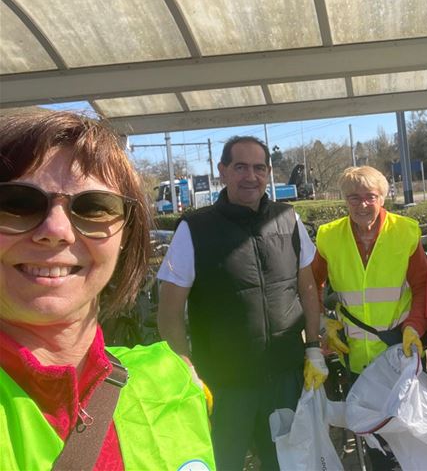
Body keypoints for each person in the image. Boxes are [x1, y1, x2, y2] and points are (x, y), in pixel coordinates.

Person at [0, 110, 215, 470]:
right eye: (16, 203)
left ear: (125, 236)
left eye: (94, 207)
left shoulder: (173, 382)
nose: (57, 230)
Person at [157, 135, 321, 471]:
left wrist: (314, 347)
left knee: (287, 464)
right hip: (224, 383)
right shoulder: (194, 228)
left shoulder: (288, 219)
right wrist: (185, 370)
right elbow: (169, 312)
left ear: (268, 172)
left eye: (259, 168)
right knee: (223, 463)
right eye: (240, 167)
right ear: (223, 171)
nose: (251, 176)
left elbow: (308, 290)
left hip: (283, 376)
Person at [311, 165, 427, 471]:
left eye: (369, 197)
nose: (362, 205)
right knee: (375, 441)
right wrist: (325, 323)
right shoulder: (328, 236)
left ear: (382, 198)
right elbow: (311, 284)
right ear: (344, 200)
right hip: (356, 357)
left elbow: (423, 286)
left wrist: (416, 326)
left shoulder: (405, 231)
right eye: (353, 198)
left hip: (401, 352)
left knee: (410, 433)